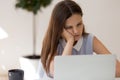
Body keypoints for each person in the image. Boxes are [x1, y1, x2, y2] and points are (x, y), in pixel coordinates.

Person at [40, 0, 120, 79]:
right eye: (69, 27)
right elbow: (58, 74)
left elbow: (118, 69)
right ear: (60, 29)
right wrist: (70, 41)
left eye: (79, 24)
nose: (76, 31)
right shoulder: (53, 43)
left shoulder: (90, 40)